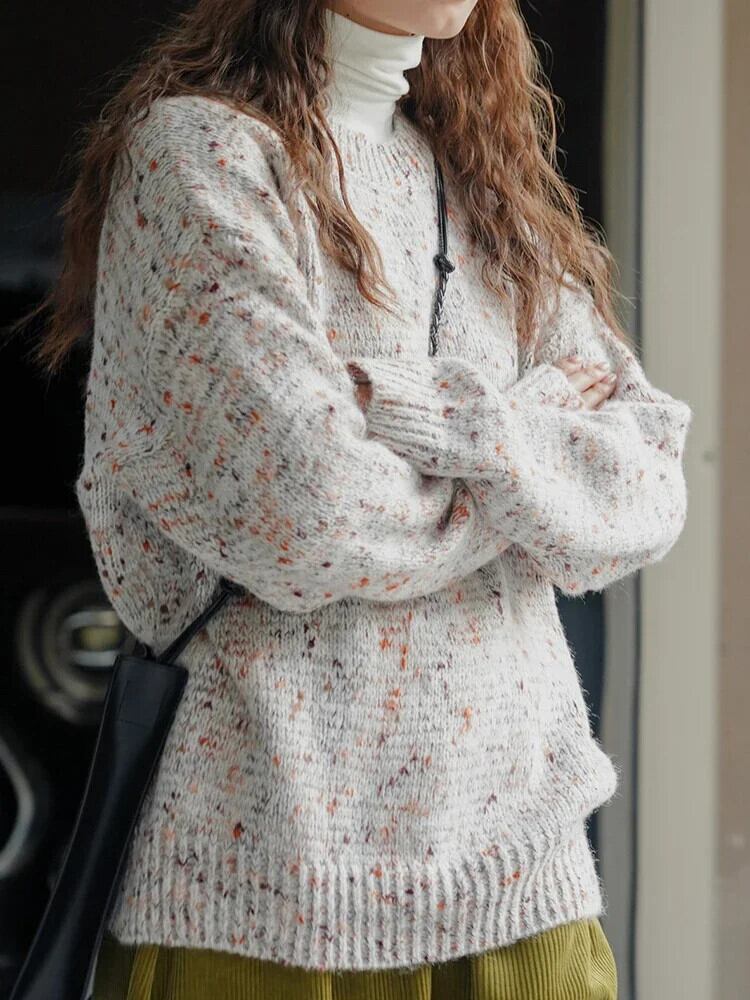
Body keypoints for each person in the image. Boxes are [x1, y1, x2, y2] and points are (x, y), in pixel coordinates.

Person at [20, 1, 693, 996]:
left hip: (525, 880)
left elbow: (643, 492)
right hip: (268, 892)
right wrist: (530, 476)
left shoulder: (484, 181)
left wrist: (419, 412)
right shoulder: (204, 158)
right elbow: (310, 517)